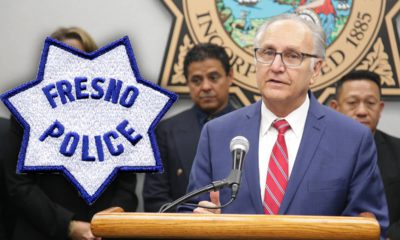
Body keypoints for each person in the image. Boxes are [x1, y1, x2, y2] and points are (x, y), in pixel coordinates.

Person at [184, 13, 389, 237]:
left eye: (292, 56)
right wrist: (199, 218)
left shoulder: (352, 139)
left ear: (316, 70)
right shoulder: (217, 134)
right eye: (268, 52)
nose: (276, 66)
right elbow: (189, 209)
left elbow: (370, 226)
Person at [0, 27, 138, 240]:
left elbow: (126, 187)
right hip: (42, 231)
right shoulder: (27, 112)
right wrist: (69, 226)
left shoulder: (117, 114)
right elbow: (19, 185)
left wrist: (108, 225)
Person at [143, 43, 235, 212]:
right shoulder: (165, 131)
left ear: (230, 76)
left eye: (213, 77)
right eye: (196, 80)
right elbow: (155, 201)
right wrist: (192, 220)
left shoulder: (250, 126)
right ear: (187, 82)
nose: (205, 87)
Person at [330, 70, 400, 239]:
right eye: (352, 103)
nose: (362, 111)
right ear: (335, 108)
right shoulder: (316, 151)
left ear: (380, 107)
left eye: (370, 103)